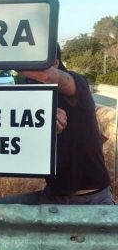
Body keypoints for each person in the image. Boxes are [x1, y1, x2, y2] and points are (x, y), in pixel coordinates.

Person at [19, 44, 115, 205]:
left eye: (35, 62)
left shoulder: (77, 83)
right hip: (54, 195)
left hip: (92, 199)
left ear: (55, 63)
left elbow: (46, 75)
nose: (31, 75)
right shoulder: (33, 94)